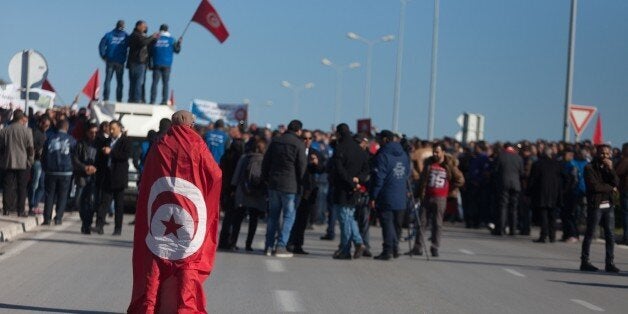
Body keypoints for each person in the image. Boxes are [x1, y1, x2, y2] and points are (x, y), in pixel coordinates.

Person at [128, 110, 221, 313]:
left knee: (157, 256)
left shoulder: (160, 144)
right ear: (190, 125)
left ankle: (149, 307)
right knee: (186, 260)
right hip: (189, 213)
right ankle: (185, 307)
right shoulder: (198, 145)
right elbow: (215, 174)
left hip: (159, 212)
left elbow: (147, 177)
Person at [261, 120, 307, 258]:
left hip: (274, 183)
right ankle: (281, 246)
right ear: (299, 131)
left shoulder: (276, 141)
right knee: (288, 216)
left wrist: (266, 179)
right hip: (290, 186)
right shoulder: (299, 144)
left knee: (273, 216)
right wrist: (302, 185)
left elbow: (266, 162)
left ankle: (268, 246)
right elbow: (302, 167)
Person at [410, 143, 464, 257]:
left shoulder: (449, 164)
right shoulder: (429, 162)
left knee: (437, 224)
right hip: (427, 196)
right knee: (421, 223)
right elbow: (422, 179)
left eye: (437, 152)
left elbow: (460, 179)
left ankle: (435, 247)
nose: (435, 154)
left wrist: (449, 190)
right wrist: (417, 194)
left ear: (443, 152)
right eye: (434, 151)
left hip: (440, 198)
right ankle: (418, 247)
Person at [329, 123, 369, 260]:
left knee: (345, 219)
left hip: (344, 189)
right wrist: (358, 181)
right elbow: (366, 170)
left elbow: (339, 170)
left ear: (339, 134)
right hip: (355, 190)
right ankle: (357, 242)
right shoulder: (359, 150)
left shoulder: (340, 148)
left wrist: (351, 182)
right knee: (349, 217)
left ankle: (346, 249)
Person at [369, 130, 410, 261]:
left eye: (380, 138)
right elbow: (407, 173)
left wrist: (373, 196)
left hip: (386, 194)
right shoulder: (404, 154)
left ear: (386, 139)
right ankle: (395, 248)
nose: (378, 141)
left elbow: (379, 178)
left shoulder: (383, 155)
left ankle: (388, 250)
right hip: (401, 194)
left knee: (387, 224)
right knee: (397, 224)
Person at [580, 144, 620, 273]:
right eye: (602, 153)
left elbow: (616, 182)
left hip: (608, 205)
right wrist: (610, 187)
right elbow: (595, 187)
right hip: (596, 205)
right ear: (596, 153)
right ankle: (585, 261)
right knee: (590, 233)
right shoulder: (589, 168)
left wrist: (611, 169)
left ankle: (610, 262)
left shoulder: (609, 168)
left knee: (610, 235)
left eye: (608, 154)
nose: (605, 156)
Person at [228, 137, 268, 252]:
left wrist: (233, 188)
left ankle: (233, 242)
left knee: (238, 218)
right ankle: (248, 244)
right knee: (253, 219)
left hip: (243, 191)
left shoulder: (245, 157)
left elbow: (237, 174)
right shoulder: (265, 159)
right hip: (257, 193)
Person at [288, 129, 325, 255]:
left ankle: (298, 244)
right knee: (291, 217)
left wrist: (316, 164)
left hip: (308, 190)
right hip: (295, 187)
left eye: (310, 138)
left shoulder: (315, 153)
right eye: (305, 138)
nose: (307, 141)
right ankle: (288, 242)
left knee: (303, 219)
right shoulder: (295, 150)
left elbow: (321, 170)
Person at [93, 120, 131, 235]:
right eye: (110, 129)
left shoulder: (125, 141)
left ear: (119, 128)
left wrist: (111, 152)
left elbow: (125, 155)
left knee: (119, 205)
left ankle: (117, 228)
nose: (111, 131)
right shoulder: (107, 141)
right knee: (104, 202)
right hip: (107, 176)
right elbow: (100, 156)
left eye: (113, 128)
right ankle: (99, 226)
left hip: (119, 177)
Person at [41, 119, 76, 225]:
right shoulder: (72, 140)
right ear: (67, 128)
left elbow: (43, 155)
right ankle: (58, 218)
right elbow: (74, 156)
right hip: (66, 172)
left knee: (49, 195)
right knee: (62, 195)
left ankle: (47, 218)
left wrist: (45, 167)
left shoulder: (49, 138)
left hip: (51, 171)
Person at [0, 110, 34, 217]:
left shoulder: (5, 130)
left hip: (8, 161)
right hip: (23, 162)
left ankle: (6, 209)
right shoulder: (27, 131)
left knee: (7, 186)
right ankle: (21, 210)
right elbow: (30, 148)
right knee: (22, 187)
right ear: (21, 119)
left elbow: (1, 147)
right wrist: (30, 161)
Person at [528, 148, 565, 243]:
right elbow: (563, 178)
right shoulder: (557, 164)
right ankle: (552, 236)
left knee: (544, 215)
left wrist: (528, 192)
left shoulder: (538, 164)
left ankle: (543, 236)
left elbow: (532, 179)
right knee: (552, 215)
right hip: (554, 193)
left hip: (541, 193)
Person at [73, 124, 100, 234]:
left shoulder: (99, 144)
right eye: (91, 132)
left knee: (90, 202)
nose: (93, 134)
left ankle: (87, 224)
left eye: (95, 132)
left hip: (94, 177)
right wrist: (85, 168)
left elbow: (102, 160)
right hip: (82, 176)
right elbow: (75, 159)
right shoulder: (80, 144)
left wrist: (95, 168)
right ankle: (84, 220)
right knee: (79, 201)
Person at [493, 143, 524, 236]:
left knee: (503, 206)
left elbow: (495, 170)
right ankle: (513, 230)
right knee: (513, 208)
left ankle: (501, 230)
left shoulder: (501, 156)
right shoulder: (518, 157)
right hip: (515, 185)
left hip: (503, 184)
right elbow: (522, 172)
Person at [150, 24, 182, 105]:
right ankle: (164, 101)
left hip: (156, 63)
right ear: (167, 30)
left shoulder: (155, 39)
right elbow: (177, 50)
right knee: (165, 83)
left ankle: (152, 101)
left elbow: (150, 51)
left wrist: (150, 63)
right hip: (167, 64)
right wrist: (179, 43)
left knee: (154, 83)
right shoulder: (171, 40)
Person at [127, 20, 157, 103]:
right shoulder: (135, 35)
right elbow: (143, 42)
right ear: (138, 26)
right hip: (137, 62)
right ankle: (136, 99)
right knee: (137, 82)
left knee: (136, 82)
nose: (145, 28)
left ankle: (134, 98)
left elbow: (148, 45)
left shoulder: (140, 36)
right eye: (143, 26)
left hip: (140, 62)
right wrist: (152, 37)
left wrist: (153, 40)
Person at [28, 116, 51, 215]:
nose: (47, 127)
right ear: (40, 123)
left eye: (48, 125)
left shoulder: (44, 134)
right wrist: (38, 151)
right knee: (35, 185)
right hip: (37, 161)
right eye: (45, 125)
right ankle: (32, 205)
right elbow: (31, 147)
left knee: (41, 185)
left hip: (43, 162)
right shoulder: (35, 132)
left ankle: (35, 204)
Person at [616, 143, 628, 245]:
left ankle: (626, 237)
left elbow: (618, 172)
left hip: (626, 190)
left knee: (625, 214)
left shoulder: (625, 160)